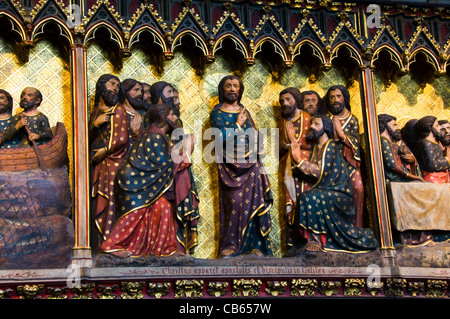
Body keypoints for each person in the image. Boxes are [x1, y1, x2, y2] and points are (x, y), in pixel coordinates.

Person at [99, 103, 199, 258]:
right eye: (172, 115)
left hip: (143, 184)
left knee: (163, 207)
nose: (176, 118)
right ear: (163, 117)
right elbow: (164, 166)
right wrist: (185, 153)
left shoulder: (158, 136)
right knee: (134, 214)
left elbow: (162, 164)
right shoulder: (154, 136)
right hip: (135, 185)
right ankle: (110, 245)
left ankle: (164, 249)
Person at [290, 116, 378, 253]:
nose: (311, 126)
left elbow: (320, 171)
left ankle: (318, 240)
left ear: (325, 128)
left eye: (316, 124)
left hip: (340, 193)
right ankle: (310, 239)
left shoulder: (329, 145)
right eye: (311, 123)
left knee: (309, 198)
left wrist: (299, 161)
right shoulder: (318, 147)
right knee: (305, 197)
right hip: (327, 190)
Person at [210, 75, 273, 257]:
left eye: (235, 86)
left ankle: (256, 246)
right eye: (228, 86)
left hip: (251, 165)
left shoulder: (245, 111)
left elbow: (253, 133)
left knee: (255, 202)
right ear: (222, 90)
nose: (231, 89)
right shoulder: (217, 113)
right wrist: (237, 125)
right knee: (235, 203)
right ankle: (230, 245)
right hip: (230, 167)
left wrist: (260, 146)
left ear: (240, 90)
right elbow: (219, 139)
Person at [89, 74, 129, 244]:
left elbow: (122, 138)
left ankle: (112, 242)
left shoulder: (118, 109)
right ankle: (99, 241)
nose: (115, 88)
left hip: (115, 162)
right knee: (96, 201)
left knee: (111, 200)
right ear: (101, 86)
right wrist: (94, 124)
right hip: (96, 163)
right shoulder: (96, 111)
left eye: (118, 86)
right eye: (112, 84)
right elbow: (85, 138)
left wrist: (105, 150)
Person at [324, 85, 364, 227]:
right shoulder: (326, 119)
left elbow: (356, 143)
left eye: (338, 96)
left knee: (358, 188)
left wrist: (342, 136)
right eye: (332, 97)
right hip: (332, 166)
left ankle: (356, 226)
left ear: (344, 98)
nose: (335, 100)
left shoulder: (352, 119)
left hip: (350, 163)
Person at [278, 87, 312, 253]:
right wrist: (287, 145)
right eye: (282, 101)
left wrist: (293, 141)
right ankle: (292, 242)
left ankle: (307, 239)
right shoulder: (283, 122)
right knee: (289, 202)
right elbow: (279, 149)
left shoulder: (306, 118)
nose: (285, 103)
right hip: (288, 168)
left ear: (296, 100)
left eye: (288, 99)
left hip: (304, 165)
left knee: (304, 200)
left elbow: (309, 143)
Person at [378, 114, 423, 183]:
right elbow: (392, 165)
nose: (398, 128)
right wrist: (409, 176)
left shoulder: (394, 143)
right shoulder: (384, 141)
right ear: (385, 126)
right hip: (393, 179)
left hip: (399, 177)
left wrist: (412, 160)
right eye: (394, 125)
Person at [413, 116, 449, 183]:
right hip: (432, 178)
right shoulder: (426, 143)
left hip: (442, 177)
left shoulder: (436, 142)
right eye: (437, 125)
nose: (440, 128)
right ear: (430, 128)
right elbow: (432, 164)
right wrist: (447, 160)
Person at [121, 79, 145, 149]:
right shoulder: (119, 114)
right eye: (136, 90)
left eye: (141, 91)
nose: (140, 94)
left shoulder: (142, 115)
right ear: (126, 92)